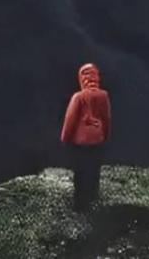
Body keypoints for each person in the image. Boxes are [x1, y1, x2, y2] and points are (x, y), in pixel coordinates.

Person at [60, 63, 111, 211]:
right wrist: (105, 135)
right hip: (97, 139)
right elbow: (106, 118)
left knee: (80, 171)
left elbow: (70, 119)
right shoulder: (103, 96)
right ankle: (93, 198)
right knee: (94, 170)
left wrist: (65, 138)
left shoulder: (78, 97)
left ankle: (80, 203)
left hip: (80, 142)